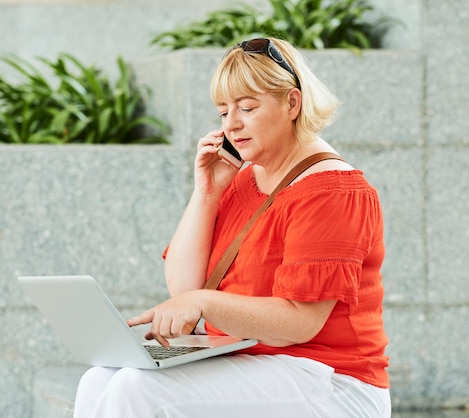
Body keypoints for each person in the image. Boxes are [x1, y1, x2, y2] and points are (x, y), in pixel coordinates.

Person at [73, 37, 390, 417]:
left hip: (332, 382)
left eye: (248, 107)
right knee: (99, 377)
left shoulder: (332, 191)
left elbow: (301, 323)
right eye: (223, 112)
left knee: (139, 389)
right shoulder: (244, 179)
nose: (232, 124)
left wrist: (204, 304)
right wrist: (206, 193)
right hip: (251, 361)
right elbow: (184, 289)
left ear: (292, 102)